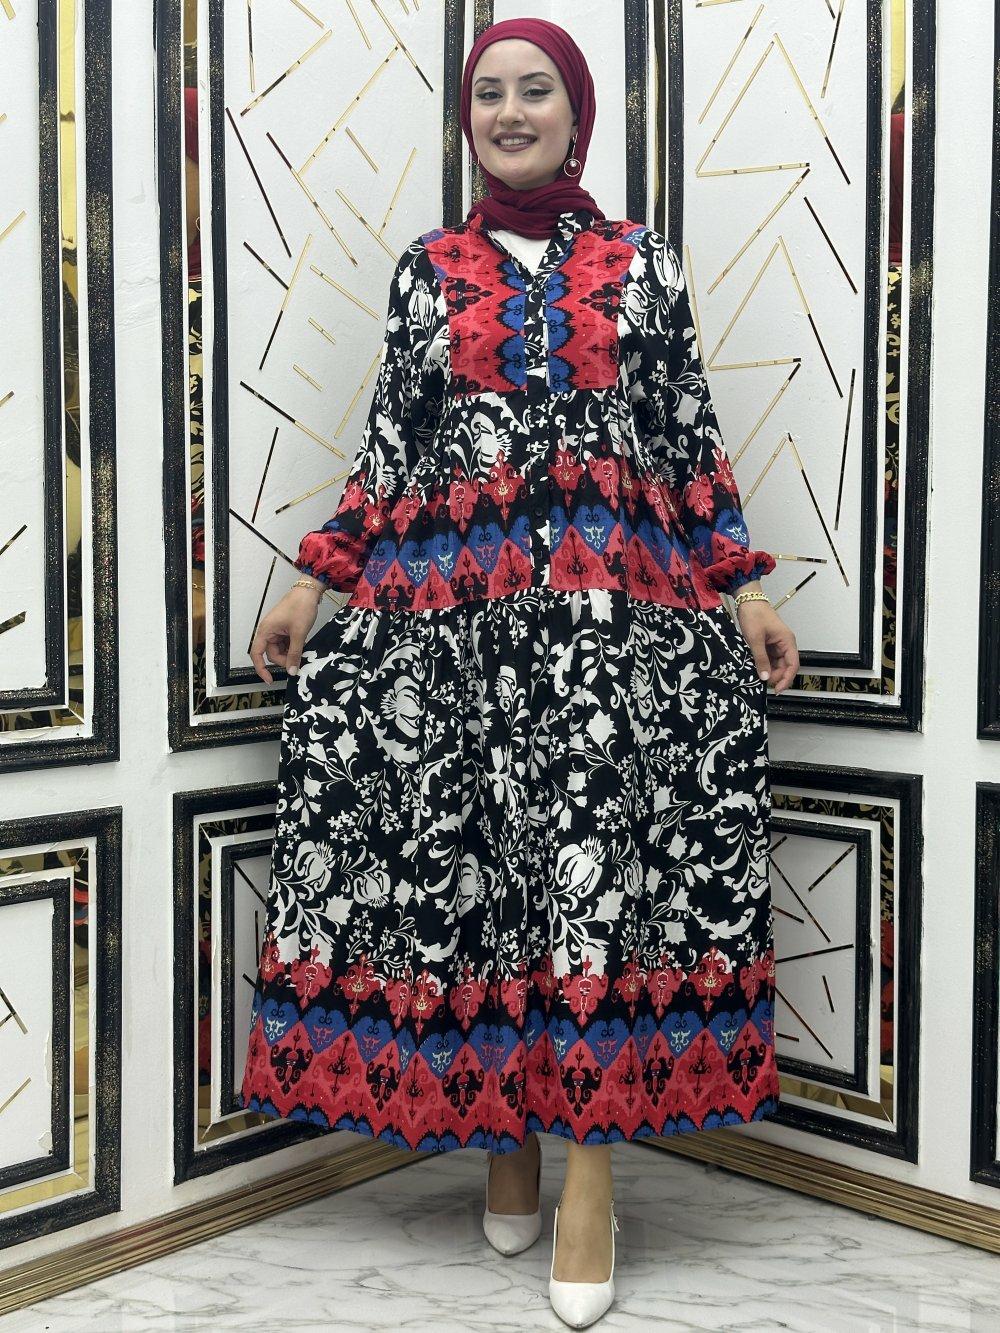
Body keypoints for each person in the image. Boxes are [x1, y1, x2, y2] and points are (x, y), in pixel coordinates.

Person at [240, 16, 799, 1328]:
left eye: (534, 89)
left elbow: (686, 438)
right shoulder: (429, 271)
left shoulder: (639, 265)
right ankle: (504, 1136)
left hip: (611, 624)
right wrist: (314, 581)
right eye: (487, 92)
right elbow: (391, 447)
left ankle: (589, 1178)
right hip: (457, 620)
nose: (508, 111)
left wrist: (744, 584)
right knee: (482, 869)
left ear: (575, 112)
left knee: (593, 876)